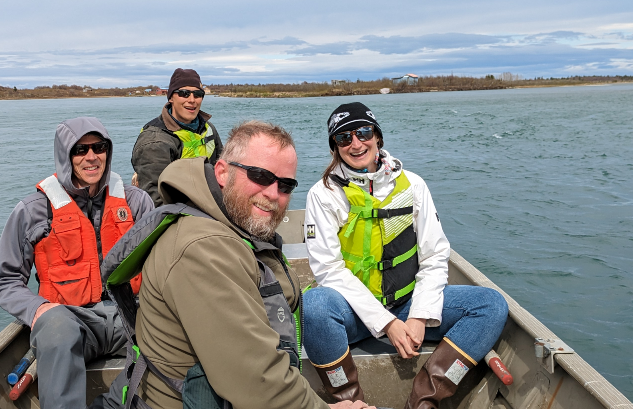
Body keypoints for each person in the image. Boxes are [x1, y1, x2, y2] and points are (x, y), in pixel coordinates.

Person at [127, 121, 368, 409]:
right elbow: (257, 380)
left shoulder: (235, 231)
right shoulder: (203, 249)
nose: (272, 193)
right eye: (259, 176)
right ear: (222, 172)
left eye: (286, 185)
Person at [301, 103, 508, 408]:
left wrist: (420, 316)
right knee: (315, 306)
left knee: (491, 305)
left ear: (378, 137)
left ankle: (426, 400)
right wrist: (387, 324)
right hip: (353, 313)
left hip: (408, 301)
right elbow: (329, 270)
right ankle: (349, 401)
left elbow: (436, 255)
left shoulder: (414, 184)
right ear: (335, 147)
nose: (356, 144)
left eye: (363, 132)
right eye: (344, 138)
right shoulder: (322, 194)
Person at [0, 116, 156, 408]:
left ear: (108, 152)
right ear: (65, 155)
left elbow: (160, 266)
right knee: (56, 328)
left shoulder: (137, 202)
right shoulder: (33, 211)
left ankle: (115, 404)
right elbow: (2, 280)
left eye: (99, 147)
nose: (91, 157)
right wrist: (38, 309)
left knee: (172, 332)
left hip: (129, 316)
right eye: (80, 150)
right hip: (71, 321)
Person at [131, 68, 222, 205]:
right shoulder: (154, 141)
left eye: (197, 94)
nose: (192, 100)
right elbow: (155, 200)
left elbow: (224, 168)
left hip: (211, 204)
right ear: (171, 97)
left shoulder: (208, 129)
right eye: (184, 94)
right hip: (179, 213)